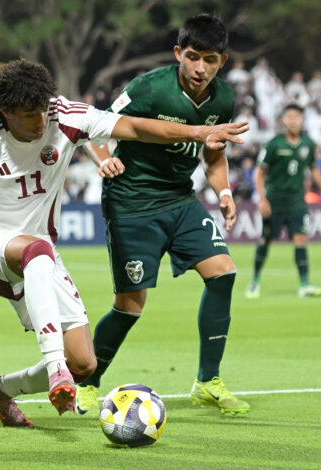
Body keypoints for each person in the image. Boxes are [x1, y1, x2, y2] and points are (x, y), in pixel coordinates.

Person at [0, 58, 247, 426]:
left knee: (85, 364)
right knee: (37, 257)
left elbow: (133, 126)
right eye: (29, 114)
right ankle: (55, 367)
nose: (41, 122)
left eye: (43, 111)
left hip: (40, 251)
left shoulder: (63, 115)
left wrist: (199, 133)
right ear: (5, 112)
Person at [77, 13, 250, 416]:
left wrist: (223, 190)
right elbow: (92, 128)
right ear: (178, 53)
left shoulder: (223, 99)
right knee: (130, 304)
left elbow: (214, 153)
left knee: (223, 272)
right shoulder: (149, 88)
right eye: (192, 57)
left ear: (222, 61)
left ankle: (207, 382)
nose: (200, 68)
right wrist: (103, 159)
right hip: (132, 203)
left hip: (180, 199)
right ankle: (88, 380)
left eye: (209, 59)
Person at [245, 104, 321, 299]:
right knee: (266, 240)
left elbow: (314, 169)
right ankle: (254, 281)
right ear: (283, 120)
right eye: (289, 117)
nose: (293, 120)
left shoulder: (308, 144)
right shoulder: (274, 144)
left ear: (302, 120)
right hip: (275, 201)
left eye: (297, 117)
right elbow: (259, 173)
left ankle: (304, 285)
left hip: (297, 201)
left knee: (301, 239)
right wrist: (262, 199)